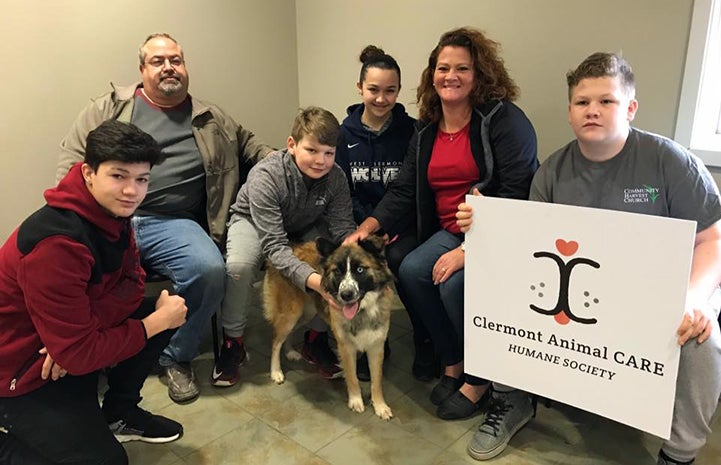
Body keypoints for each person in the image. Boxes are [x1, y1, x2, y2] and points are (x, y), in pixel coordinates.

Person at [457, 52, 721, 464]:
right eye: (582, 102)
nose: (593, 111)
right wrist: (484, 222)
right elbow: (531, 246)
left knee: (702, 339)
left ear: (630, 108)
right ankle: (512, 400)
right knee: (498, 295)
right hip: (579, 286)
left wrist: (694, 299)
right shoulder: (553, 171)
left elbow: (711, 241)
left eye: (607, 101)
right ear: (570, 111)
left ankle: (679, 452)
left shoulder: (671, 162)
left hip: (669, 287)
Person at [56, 33, 273, 403]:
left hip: (173, 222)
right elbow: (71, 164)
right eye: (158, 61)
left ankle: (176, 356)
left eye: (177, 59)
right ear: (142, 70)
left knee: (209, 271)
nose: (169, 67)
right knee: (78, 274)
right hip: (109, 220)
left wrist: (295, 162)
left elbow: (253, 148)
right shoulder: (108, 109)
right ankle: (95, 355)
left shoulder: (211, 117)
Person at [345, 27, 538, 421]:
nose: (451, 75)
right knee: (413, 270)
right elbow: (404, 188)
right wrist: (368, 225)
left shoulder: (504, 121)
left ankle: (479, 380)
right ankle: (452, 361)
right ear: (432, 73)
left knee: (452, 285)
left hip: (497, 235)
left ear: (479, 74)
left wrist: (470, 248)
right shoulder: (428, 128)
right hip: (450, 229)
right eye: (443, 67)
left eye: (462, 68)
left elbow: (521, 190)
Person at [0, 121, 188, 465]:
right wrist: (79, 345)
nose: (132, 191)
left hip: (61, 351)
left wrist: (78, 336)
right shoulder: (56, 243)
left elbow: (133, 281)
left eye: (141, 179)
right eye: (118, 176)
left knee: (168, 309)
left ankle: (120, 412)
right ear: (89, 173)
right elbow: (78, 353)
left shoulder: (111, 212)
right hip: (21, 370)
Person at [211, 107, 356, 386]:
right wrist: (315, 281)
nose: (321, 160)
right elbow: (275, 247)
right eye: (312, 150)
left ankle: (314, 340)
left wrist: (357, 259)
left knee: (332, 259)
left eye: (329, 152)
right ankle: (234, 343)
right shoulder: (267, 175)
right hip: (253, 222)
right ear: (292, 145)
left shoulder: (336, 177)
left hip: (304, 223)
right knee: (239, 267)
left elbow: (342, 229)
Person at [335, 45, 432, 382]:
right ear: (360, 87)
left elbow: (412, 189)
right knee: (356, 271)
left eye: (390, 91)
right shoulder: (341, 135)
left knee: (407, 267)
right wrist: (364, 230)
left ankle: (425, 339)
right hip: (358, 230)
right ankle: (368, 344)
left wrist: (388, 226)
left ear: (398, 92)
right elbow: (341, 191)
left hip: (400, 228)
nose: (381, 98)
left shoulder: (414, 132)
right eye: (373, 90)